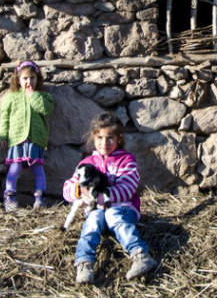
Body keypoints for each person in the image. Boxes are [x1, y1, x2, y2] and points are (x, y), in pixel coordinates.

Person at [64, 112, 157, 284]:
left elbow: (127, 188)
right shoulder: (87, 163)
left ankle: (140, 255)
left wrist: (101, 197)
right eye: (100, 138)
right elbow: (67, 187)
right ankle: (84, 263)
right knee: (92, 221)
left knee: (113, 215)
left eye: (110, 138)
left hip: (123, 208)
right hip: (97, 211)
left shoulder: (126, 160)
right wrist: (78, 190)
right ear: (93, 137)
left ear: (119, 138)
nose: (104, 143)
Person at [0, 61, 54, 211]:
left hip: (35, 139)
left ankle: (40, 198)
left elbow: (46, 109)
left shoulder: (43, 96)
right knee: (14, 168)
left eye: (32, 78)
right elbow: (4, 117)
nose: (29, 82)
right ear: (18, 80)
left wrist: (33, 96)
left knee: (38, 169)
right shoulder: (12, 97)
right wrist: (3, 136)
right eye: (25, 78)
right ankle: (10, 197)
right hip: (16, 139)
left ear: (37, 79)